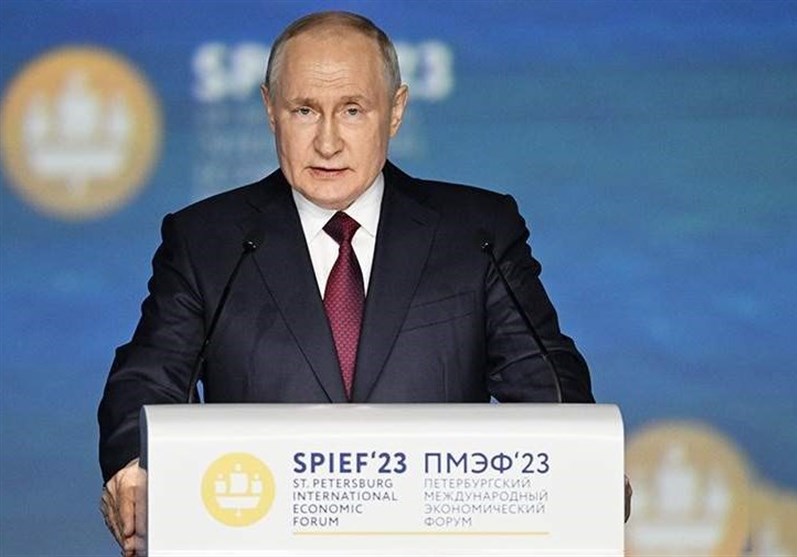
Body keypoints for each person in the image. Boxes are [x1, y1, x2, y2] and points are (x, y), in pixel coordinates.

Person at [98, 11, 613, 555]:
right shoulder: (209, 240)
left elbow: (545, 381)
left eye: (352, 110)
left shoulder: (476, 233)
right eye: (304, 110)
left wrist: (588, 463)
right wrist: (135, 467)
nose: (328, 142)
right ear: (270, 110)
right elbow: (149, 378)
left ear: (396, 111)